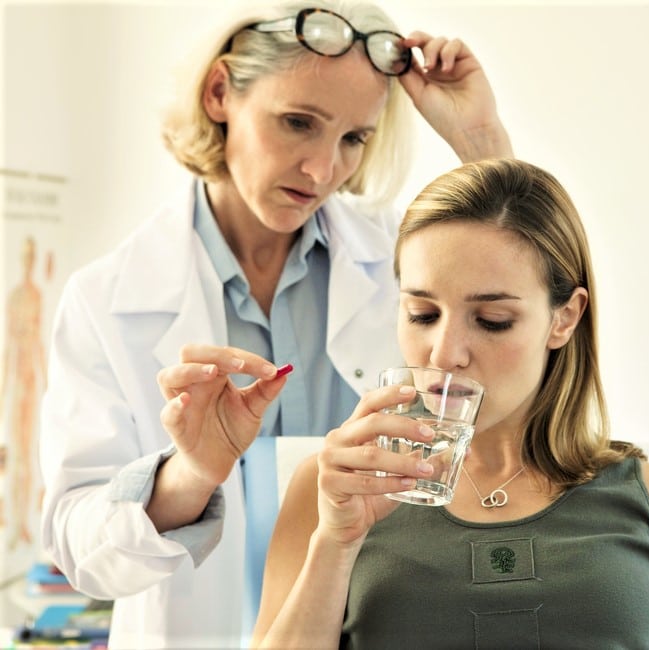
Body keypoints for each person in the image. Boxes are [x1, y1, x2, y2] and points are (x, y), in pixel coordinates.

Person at [38, 1, 512, 647]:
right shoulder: (106, 298)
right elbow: (81, 551)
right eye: (297, 123)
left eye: (353, 139)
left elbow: (532, 311)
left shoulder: (405, 262)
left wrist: (479, 142)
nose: (323, 170)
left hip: (381, 621)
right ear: (218, 93)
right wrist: (192, 472)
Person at [159, 158, 649, 648]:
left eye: (491, 320)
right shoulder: (329, 490)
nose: (444, 354)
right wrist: (336, 545)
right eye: (421, 314)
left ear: (563, 318)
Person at [0, 236, 47, 549]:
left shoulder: (37, 295)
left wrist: (49, 385)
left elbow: (39, 343)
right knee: (15, 454)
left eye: (33, 255)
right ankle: (15, 522)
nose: (29, 261)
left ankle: (24, 522)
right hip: (17, 379)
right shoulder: (15, 296)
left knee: (30, 454)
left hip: (31, 381)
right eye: (26, 255)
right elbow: (8, 347)